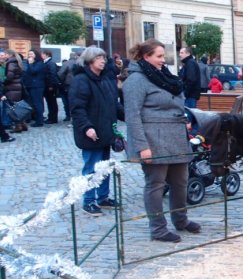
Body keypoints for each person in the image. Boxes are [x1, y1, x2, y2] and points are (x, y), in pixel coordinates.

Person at [124, 39, 201, 242]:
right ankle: (158, 229)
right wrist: (142, 147)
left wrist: (184, 120)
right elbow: (132, 115)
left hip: (175, 138)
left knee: (181, 182)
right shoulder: (136, 80)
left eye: (162, 56)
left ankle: (181, 220)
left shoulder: (164, 77)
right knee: (156, 185)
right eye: (158, 56)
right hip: (153, 141)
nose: (162, 60)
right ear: (145, 56)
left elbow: (176, 103)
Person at [69, 46, 124, 215]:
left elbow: (113, 105)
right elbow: (77, 108)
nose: (103, 61)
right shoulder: (81, 80)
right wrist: (87, 127)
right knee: (91, 168)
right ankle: (89, 200)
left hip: (106, 131)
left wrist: (128, 116)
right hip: (91, 132)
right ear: (90, 60)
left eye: (104, 58)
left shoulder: (105, 80)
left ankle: (102, 197)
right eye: (99, 58)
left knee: (104, 167)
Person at [2, 49, 27, 132]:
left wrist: (3, 82)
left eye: (5, 54)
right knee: (17, 107)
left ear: (9, 55)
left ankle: (18, 126)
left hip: (12, 88)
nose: (4, 56)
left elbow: (10, 76)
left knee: (13, 108)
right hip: (17, 87)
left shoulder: (11, 63)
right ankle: (23, 124)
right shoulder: (17, 62)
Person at [25, 49, 46, 127]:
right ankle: (36, 118)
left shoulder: (39, 63)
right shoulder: (30, 63)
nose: (30, 56)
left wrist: (30, 64)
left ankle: (40, 121)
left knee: (38, 103)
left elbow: (34, 71)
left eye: (31, 54)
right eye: (29, 54)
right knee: (33, 103)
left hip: (37, 86)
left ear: (36, 55)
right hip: (31, 85)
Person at [58, 51, 79, 121]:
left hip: (67, 85)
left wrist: (61, 82)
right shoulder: (79, 63)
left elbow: (60, 74)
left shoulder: (66, 63)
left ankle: (68, 116)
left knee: (66, 101)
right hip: (78, 84)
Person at [41, 50, 60, 124]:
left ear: (47, 55)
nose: (41, 55)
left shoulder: (50, 63)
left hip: (50, 86)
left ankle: (53, 118)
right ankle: (51, 117)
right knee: (50, 102)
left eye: (42, 54)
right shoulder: (47, 63)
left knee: (52, 102)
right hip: (48, 85)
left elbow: (52, 75)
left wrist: (51, 85)